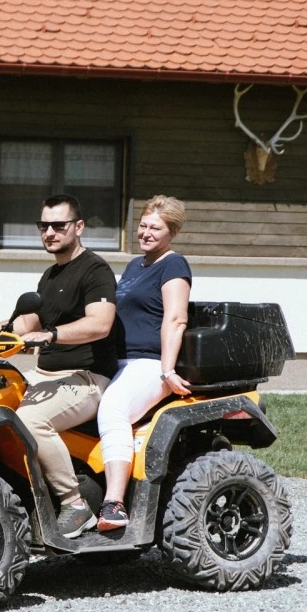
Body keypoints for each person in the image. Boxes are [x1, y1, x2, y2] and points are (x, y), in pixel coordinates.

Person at [0, 194, 119, 538]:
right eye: (43, 226)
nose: (49, 232)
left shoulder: (95, 270)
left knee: (30, 420)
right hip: (46, 374)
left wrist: (50, 336)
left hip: (86, 377)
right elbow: (24, 324)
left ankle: (75, 504)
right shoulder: (50, 275)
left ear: (78, 227)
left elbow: (100, 324)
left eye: (58, 225)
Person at [96, 195, 193, 532]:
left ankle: (114, 504)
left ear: (173, 232)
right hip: (119, 362)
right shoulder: (135, 266)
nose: (146, 233)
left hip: (148, 364)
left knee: (114, 410)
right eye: (143, 225)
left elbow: (176, 318)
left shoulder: (174, 265)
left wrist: (167, 371)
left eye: (156, 228)